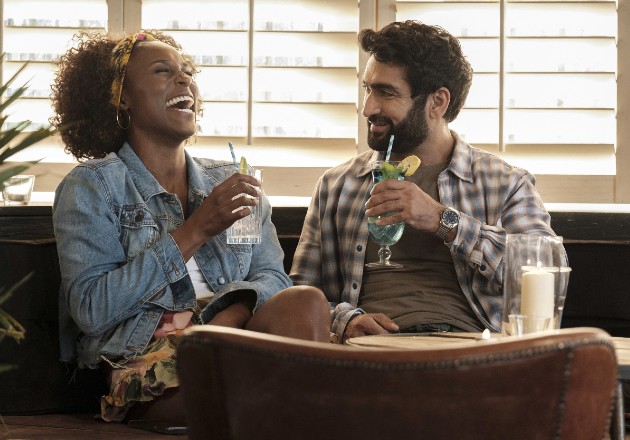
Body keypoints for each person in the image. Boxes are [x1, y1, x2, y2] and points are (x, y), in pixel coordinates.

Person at [50, 30, 330, 424]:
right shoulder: (91, 186)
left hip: (239, 343)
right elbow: (93, 310)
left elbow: (272, 278)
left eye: (187, 72)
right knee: (268, 399)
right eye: (163, 71)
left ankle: (280, 403)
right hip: (150, 360)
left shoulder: (232, 181)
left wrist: (226, 321)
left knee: (307, 302)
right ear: (122, 96)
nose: (185, 81)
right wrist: (196, 229)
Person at [290, 20, 563, 343]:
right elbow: (300, 294)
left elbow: (550, 272)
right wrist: (345, 320)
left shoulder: (505, 182)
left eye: (386, 93)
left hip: (470, 353)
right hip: (366, 357)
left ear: (437, 102)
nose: (368, 108)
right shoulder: (337, 185)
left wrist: (442, 220)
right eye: (368, 89)